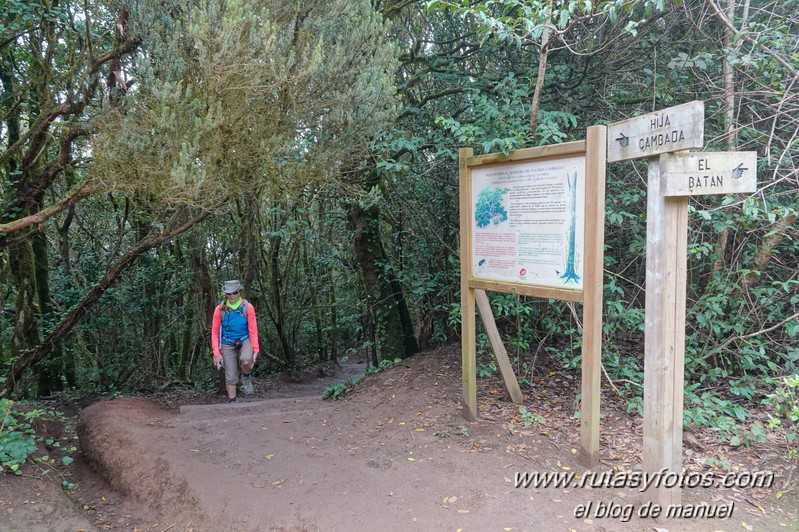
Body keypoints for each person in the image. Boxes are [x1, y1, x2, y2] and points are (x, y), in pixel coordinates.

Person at [211, 280, 260, 403]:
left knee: (246, 360)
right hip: (227, 341)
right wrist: (216, 353)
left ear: (239, 292)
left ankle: (246, 377)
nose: (232, 295)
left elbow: (253, 329)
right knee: (231, 375)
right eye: (229, 293)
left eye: (234, 292)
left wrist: (256, 349)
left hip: (244, 338)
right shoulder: (220, 309)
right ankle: (232, 401)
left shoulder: (247, 307)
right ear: (225, 294)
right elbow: (215, 331)